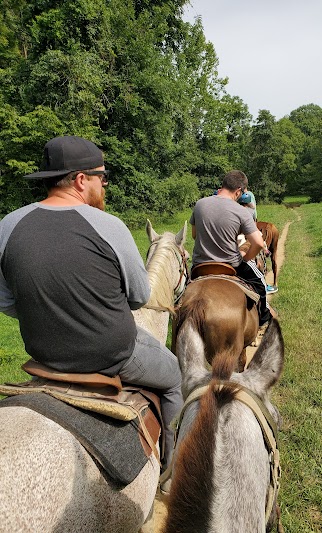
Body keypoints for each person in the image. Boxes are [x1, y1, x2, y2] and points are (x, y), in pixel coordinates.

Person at [0, 135, 182, 476]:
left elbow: (7, 302)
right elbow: (141, 297)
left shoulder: (7, 226)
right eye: (102, 176)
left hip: (43, 355)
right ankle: (174, 465)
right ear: (82, 180)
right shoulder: (109, 226)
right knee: (173, 375)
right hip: (113, 355)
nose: (105, 184)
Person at [190, 169, 275, 326]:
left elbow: (194, 235)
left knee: (182, 289)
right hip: (231, 265)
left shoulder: (200, 204)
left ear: (222, 185)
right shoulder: (241, 211)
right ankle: (264, 319)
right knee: (261, 283)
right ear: (238, 191)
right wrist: (246, 258)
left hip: (199, 265)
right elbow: (257, 243)